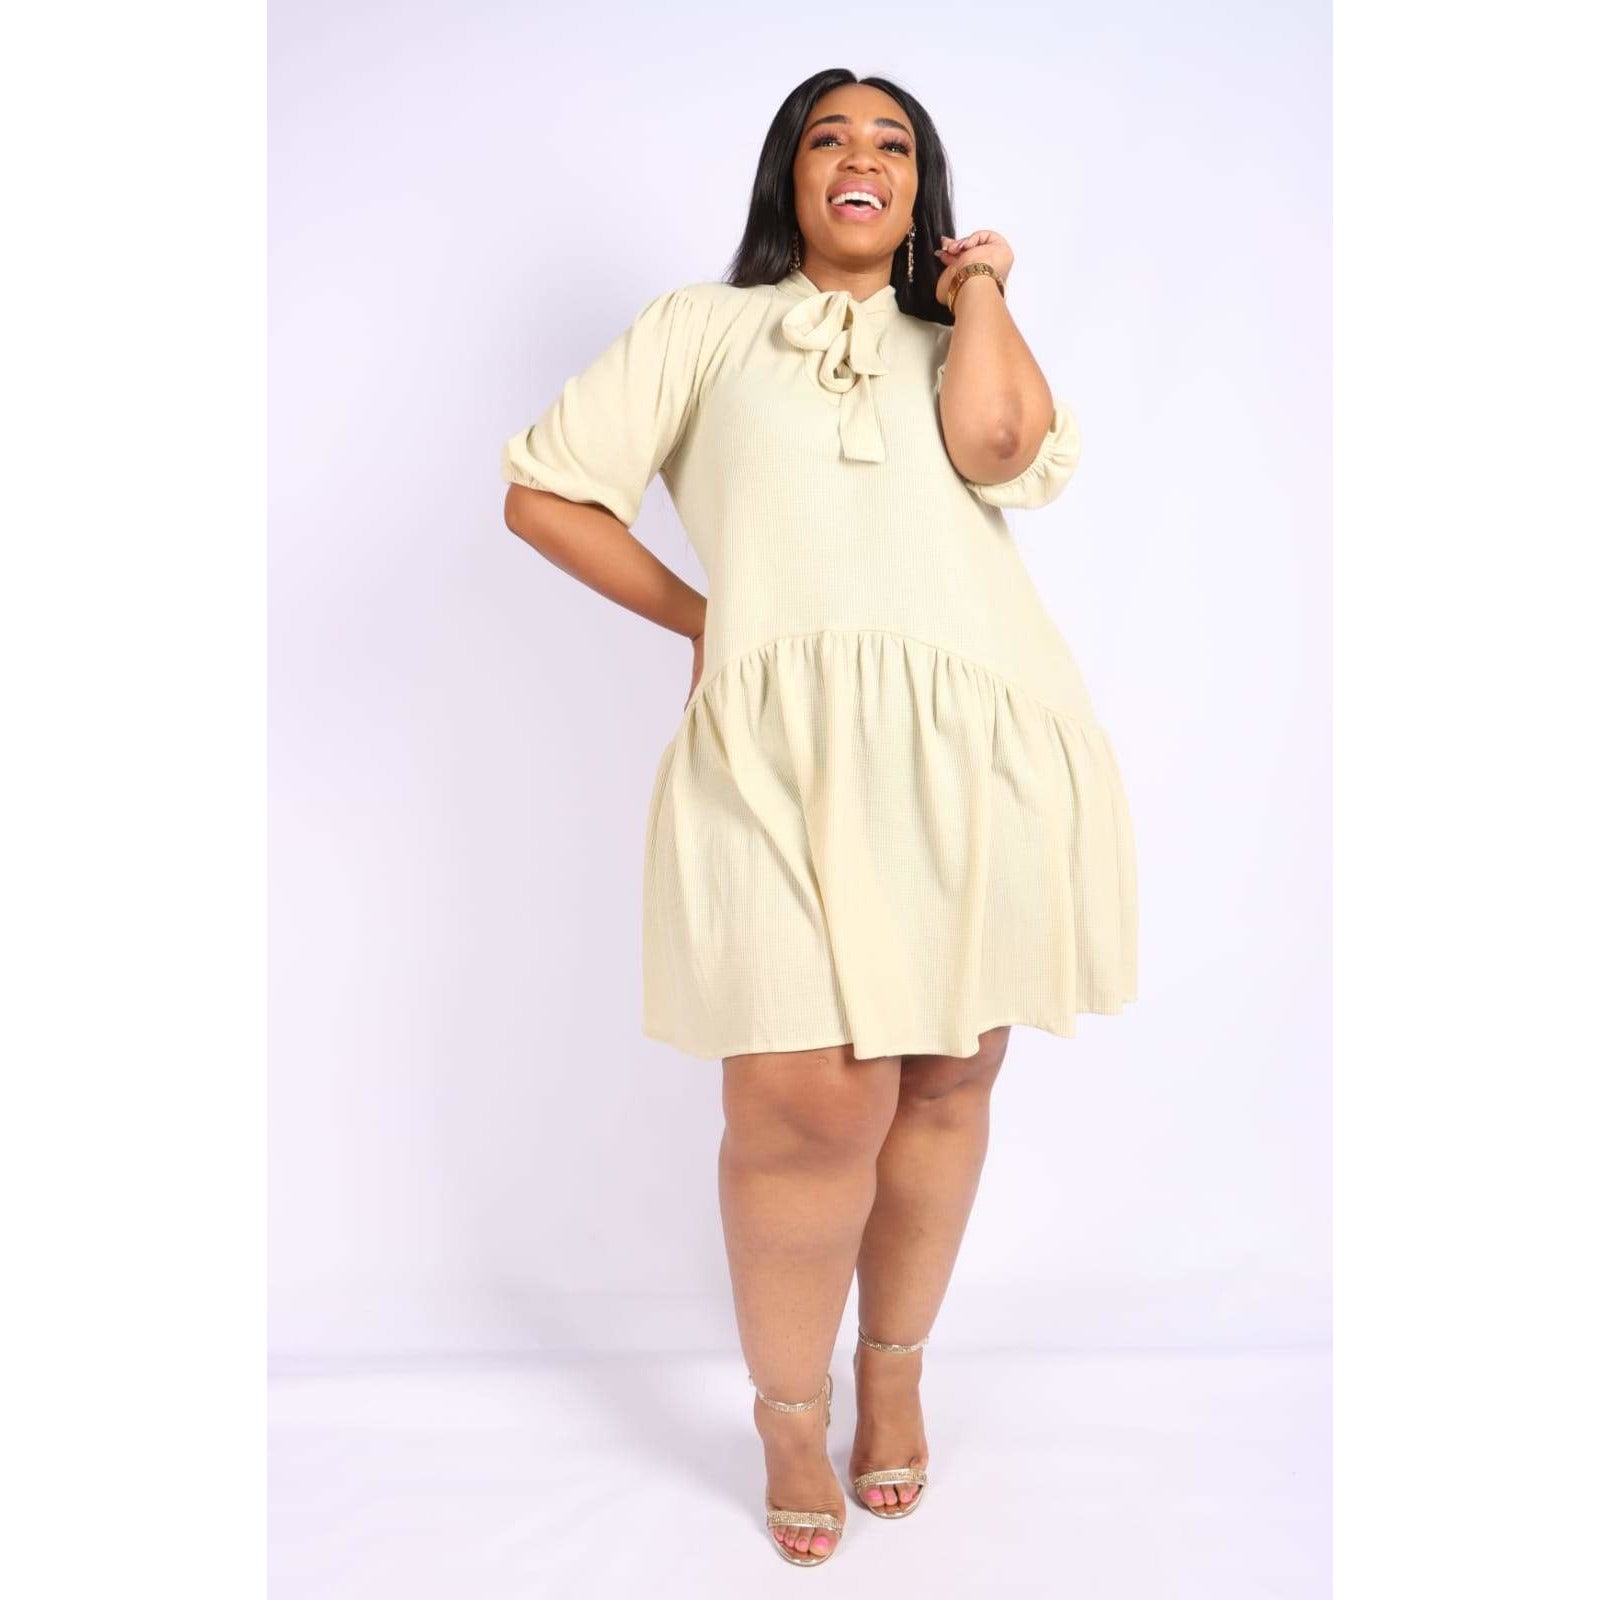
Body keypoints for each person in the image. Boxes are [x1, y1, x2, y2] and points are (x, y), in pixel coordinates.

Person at [500, 68, 1138, 1567]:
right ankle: (789, 1408)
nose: (862, 158)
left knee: (945, 1078)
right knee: (805, 1101)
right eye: (831, 138)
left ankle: (894, 1369)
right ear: (790, 173)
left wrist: (978, 286)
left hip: (978, 737)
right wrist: (707, 621)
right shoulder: (701, 330)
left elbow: (1000, 449)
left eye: (894, 144)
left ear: (921, 187)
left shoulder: (963, 339)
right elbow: (546, 495)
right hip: (777, 754)